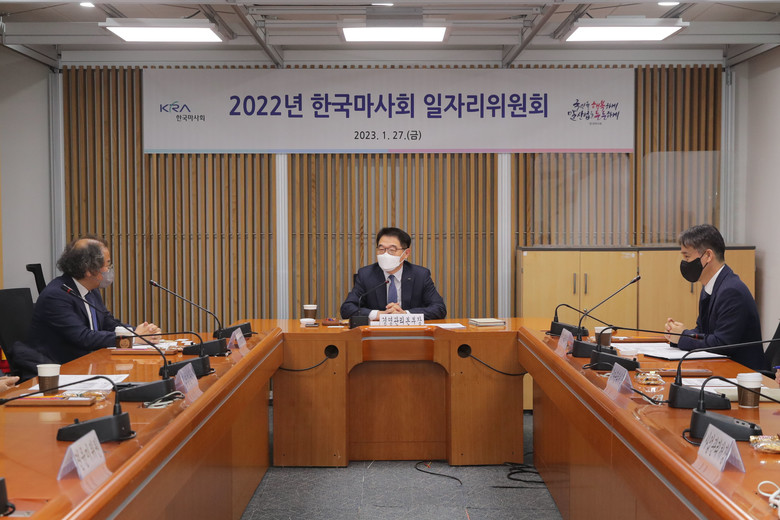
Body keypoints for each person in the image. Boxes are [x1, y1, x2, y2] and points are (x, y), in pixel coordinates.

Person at [27, 236, 161, 365]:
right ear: (89, 270)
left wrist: (141, 332)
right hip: (62, 369)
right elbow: (83, 337)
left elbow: (108, 323)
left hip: (90, 364)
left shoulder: (91, 290)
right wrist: (132, 338)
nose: (110, 269)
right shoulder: (56, 295)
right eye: (108, 264)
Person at [664, 224, 766, 371]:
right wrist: (677, 334)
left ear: (708, 256)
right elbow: (703, 332)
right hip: (721, 369)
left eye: (687, 256)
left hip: (742, 375)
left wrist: (683, 337)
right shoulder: (711, 286)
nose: (684, 262)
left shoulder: (731, 291)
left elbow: (722, 344)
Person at [340, 227, 446, 321]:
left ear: (406, 253)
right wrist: (378, 315)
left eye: (392, 250)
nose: (385, 254)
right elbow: (347, 309)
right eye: (381, 249)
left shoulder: (420, 275)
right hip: (375, 334)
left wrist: (405, 314)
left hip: (411, 333)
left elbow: (439, 308)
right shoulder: (366, 275)